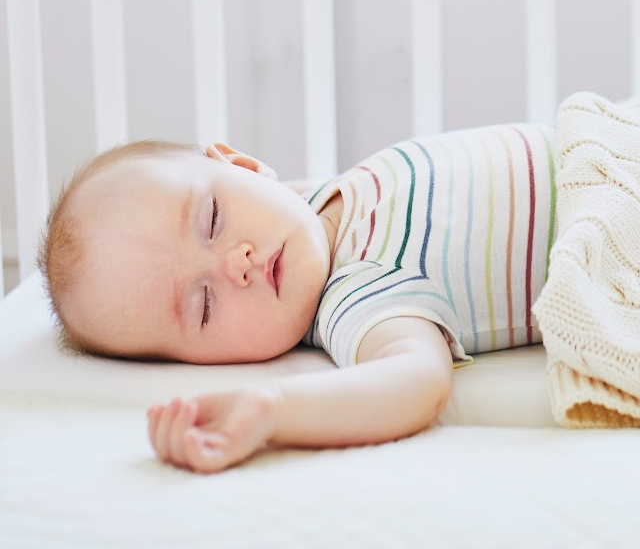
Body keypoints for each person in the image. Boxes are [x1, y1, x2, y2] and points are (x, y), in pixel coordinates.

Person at [37, 125, 556, 473]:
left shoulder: (318, 200)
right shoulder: (356, 297)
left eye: (213, 219)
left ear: (243, 166)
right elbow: (417, 379)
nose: (234, 264)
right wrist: (274, 409)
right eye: (204, 306)